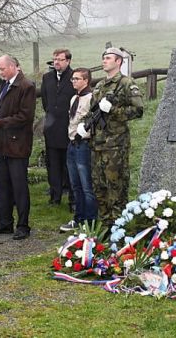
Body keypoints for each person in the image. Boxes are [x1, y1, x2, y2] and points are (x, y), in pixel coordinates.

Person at [78, 47, 144, 232]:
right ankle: (106, 227)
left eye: (108, 58)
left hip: (115, 146)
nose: (104, 61)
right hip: (97, 145)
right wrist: (84, 126)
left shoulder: (126, 83)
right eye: (103, 58)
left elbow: (138, 110)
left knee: (116, 188)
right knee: (100, 188)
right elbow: (92, 112)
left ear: (118, 62)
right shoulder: (99, 86)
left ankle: (119, 229)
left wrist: (113, 110)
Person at [0, 55, 36, 240]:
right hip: (1, 143)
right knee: (2, 185)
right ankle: (5, 223)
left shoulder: (26, 86)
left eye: (2, 69)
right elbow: (0, 110)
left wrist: (1, 122)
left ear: (13, 67)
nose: (0, 72)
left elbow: (25, 116)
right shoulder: (3, 85)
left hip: (17, 144)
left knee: (19, 186)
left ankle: (23, 225)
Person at [59, 68, 98, 232]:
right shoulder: (74, 98)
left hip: (83, 144)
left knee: (86, 185)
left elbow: (93, 120)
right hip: (72, 143)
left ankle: (90, 220)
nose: (73, 81)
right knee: (75, 185)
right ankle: (78, 217)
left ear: (86, 81)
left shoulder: (91, 98)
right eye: (72, 79)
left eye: (77, 79)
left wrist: (84, 134)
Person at [41, 48, 75, 208]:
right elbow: (45, 102)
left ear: (68, 61)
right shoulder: (47, 77)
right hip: (52, 128)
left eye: (60, 59)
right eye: (54, 59)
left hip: (69, 127)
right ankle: (55, 196)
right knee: (53, 164)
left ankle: (72, 198)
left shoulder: (74, 77)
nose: (56, 62)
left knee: (69, 164)